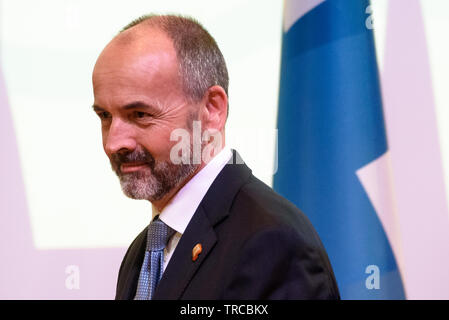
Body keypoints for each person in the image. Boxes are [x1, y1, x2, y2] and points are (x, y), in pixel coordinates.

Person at [92, 14, 340, 300]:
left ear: (211, 110)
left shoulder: (274, 243)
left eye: (140, 115)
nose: (114, 142)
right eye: (105, 116)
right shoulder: (144, 251)